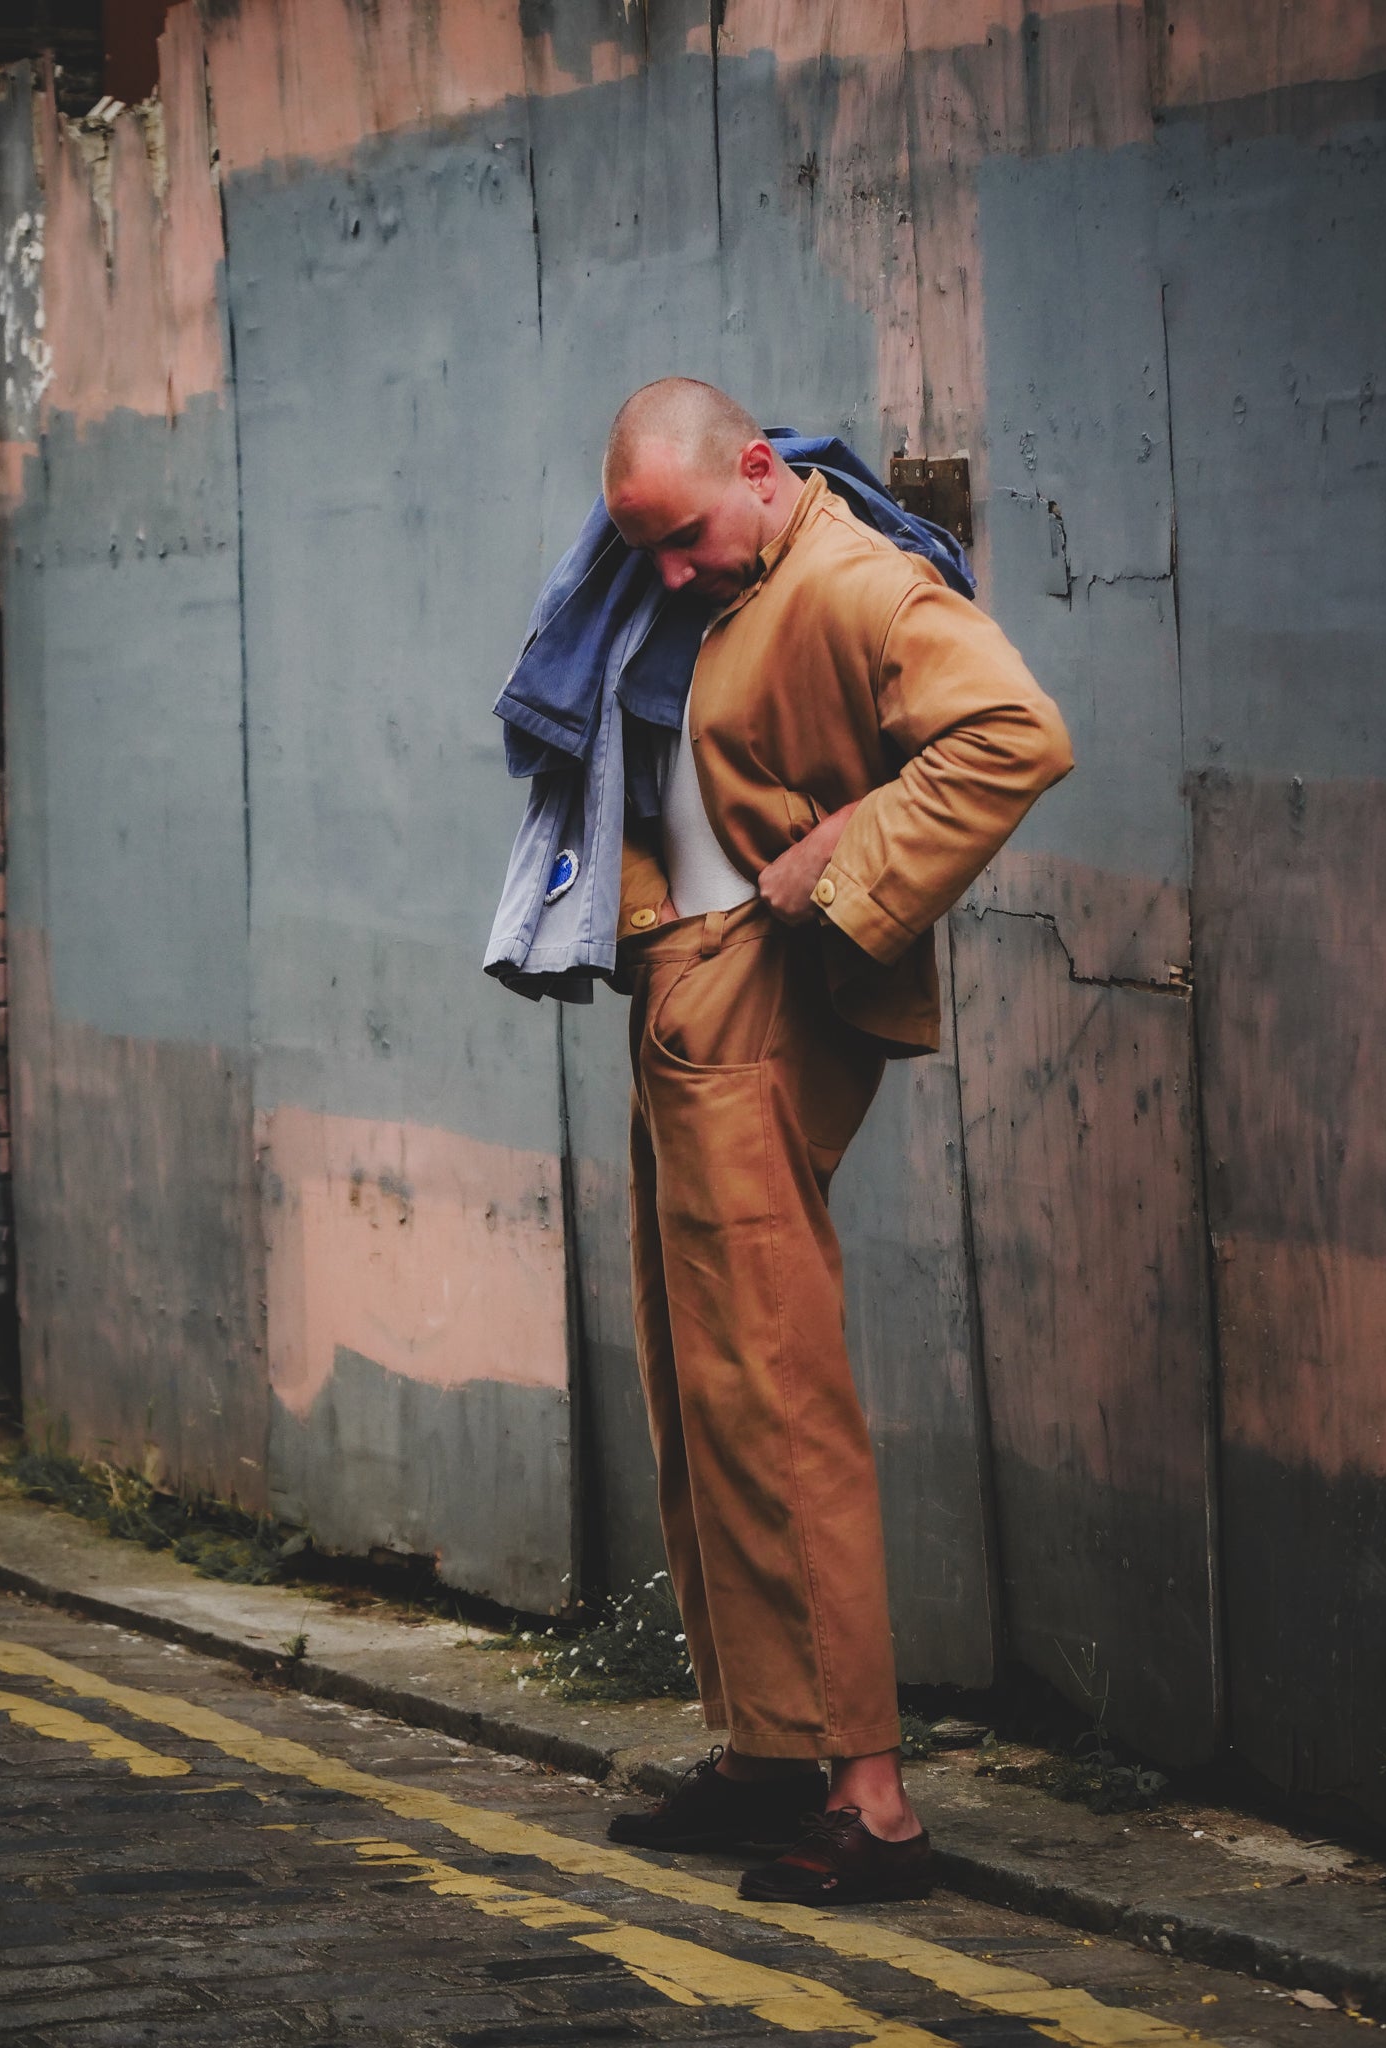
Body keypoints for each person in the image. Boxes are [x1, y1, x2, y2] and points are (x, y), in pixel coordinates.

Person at [600, 379, 1072, 1904]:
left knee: (776, 1391)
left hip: (756, 999)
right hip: (687, 996)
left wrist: (846, 847)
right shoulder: (714, 577)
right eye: (646, 551)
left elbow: (1015, 733)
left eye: (682, 537)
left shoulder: (856, 583)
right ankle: (766, 1754)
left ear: (757, 469)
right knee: (706, 1392)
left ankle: (870, 1799)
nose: (668, 572)